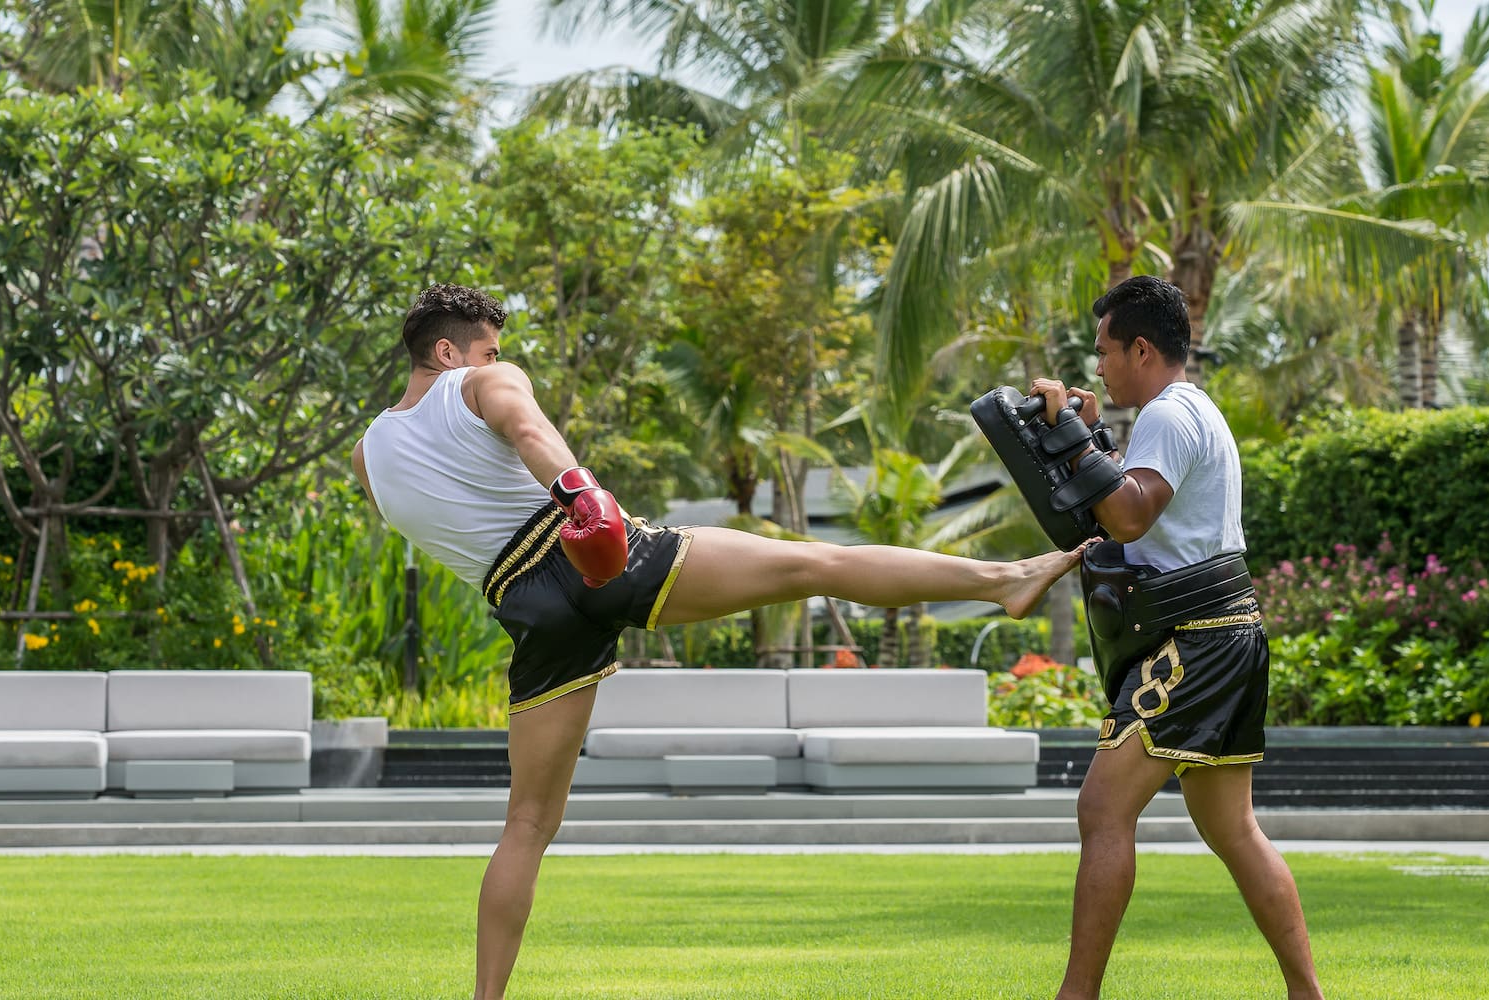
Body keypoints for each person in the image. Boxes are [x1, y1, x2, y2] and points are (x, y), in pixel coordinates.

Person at [349, 283, 1084, 1000]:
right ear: (448, 352)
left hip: (527, 608)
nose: (495, 360)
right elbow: (530, 432)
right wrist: (587, 502)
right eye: (485, 350)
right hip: (589, 549)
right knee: (809, 563)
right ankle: (1005, 578)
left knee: (528, 823)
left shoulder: (368, 458)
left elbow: (444, 509)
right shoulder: (482, 382)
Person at [1031, 276, 1322, 1000]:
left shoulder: (1166, 415)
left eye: (1104, 351)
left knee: (1102, 809)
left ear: (1140, 347)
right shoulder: (1194, 411)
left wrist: (1071, 434)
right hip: (1228, 630)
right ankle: (1308, 995)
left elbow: (1127, 519)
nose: (1097, 366)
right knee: (1235, 832)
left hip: (1194, 639)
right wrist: (1090, 443)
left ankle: (1076, 995)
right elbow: (1131, 518)